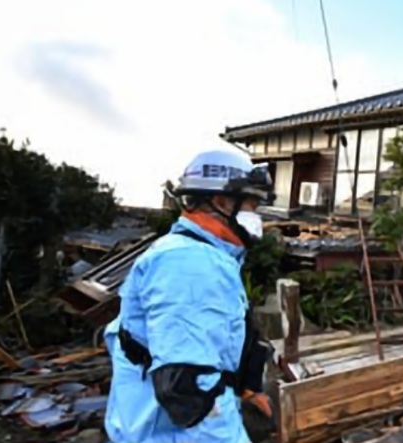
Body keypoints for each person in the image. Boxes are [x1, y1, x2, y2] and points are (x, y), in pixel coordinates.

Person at [103, 150, 275, 443]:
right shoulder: (191, 265)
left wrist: (246, 386)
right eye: (252, 204)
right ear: (221, 202)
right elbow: (190, 390)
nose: (256, 215)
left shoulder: (200, 255)